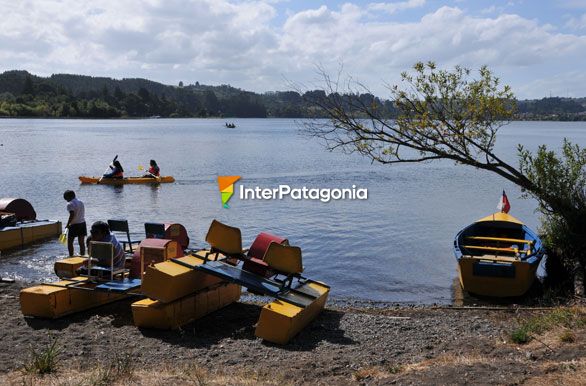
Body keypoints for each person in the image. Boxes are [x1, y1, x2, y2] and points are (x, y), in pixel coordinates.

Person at [63, 190, 86, 256]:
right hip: (82, 223)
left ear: (69, 197)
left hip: (74, 225)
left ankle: (71, 256)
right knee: (81, 243)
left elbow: (72, 215)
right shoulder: (81, 202)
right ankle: (82, 255)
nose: (66, 200)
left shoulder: (70, 204)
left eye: (66, 198)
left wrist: (67, 224)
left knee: (70, 242)